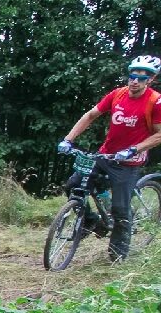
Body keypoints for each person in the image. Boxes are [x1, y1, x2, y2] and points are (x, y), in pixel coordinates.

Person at [57, 54, 161, 262]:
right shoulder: (117, 94)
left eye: (142, 77)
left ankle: (117, 256)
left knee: (120, 210)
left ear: (151, 79)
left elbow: (159, 134)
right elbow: (90, 115)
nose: (135, 81)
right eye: (132, 75)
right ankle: (90, 221)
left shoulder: (155, 102)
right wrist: (68, 140)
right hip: (107, 154)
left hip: (129, 162)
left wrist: (134, 149)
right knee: (74, 184)